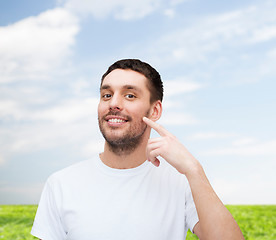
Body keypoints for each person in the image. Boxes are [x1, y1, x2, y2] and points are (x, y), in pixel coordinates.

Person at [31, 59, 244, 240]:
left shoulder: (181, 182)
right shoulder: (61, 184)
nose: (114, 103)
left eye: (130, 95)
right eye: (106, 95)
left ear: (154, 110)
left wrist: (194, 169)